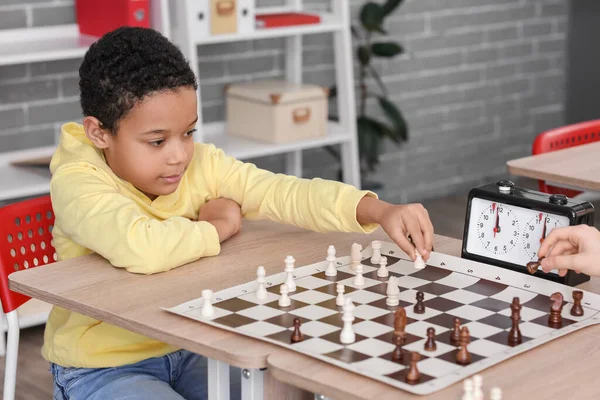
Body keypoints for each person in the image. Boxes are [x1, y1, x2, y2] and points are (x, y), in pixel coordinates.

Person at [44, 26, 434, 400]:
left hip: (188, 342)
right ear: (99, 133)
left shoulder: (200, 166)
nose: (179, 155)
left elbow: (281, 191)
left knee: (291, 392)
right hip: (102, 365)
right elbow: (141, 246)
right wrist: (219, 226)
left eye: (188, 133)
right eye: (158, 141)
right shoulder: (77, 183)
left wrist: (377, 208)